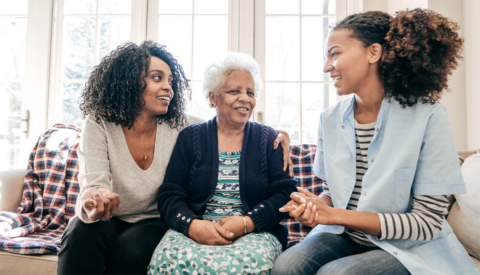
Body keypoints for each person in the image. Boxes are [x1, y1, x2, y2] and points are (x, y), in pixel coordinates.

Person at [272, 9, 479, 275]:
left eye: (335, 54)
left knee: (337, 274)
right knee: (287, 265)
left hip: (408, 247)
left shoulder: (429, 117)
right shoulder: (329, 120)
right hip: (345, 236)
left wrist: (334, 215)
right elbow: (333, 194)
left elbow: (425, 224)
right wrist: (316, 206)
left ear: (373, 53)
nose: (326, 67)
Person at [57, 41, 292, 275]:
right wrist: (95, 200)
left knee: (130, 250)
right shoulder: (99, 123)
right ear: (128, 81)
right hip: (108, 217)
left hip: (151, 220)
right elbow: (93, 183)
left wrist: (278, 135)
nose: (169, 87)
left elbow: (225, 125)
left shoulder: (179, 124)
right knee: (79, 232)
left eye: (170, 81)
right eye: (157, 78)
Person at [147, 52, 298, 274]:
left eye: (250, 92)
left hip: (254, 232)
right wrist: (192, 225)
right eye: (234, 91)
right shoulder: (191, 137)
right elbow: (170, 194)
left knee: (244, 267)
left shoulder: (269, 138)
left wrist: (247, 222)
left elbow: (284, 194)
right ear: (212, 97)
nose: (245, 98)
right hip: (197, 227)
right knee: (168, 262)